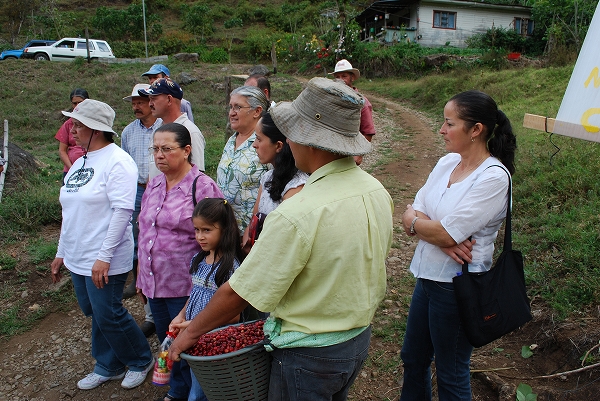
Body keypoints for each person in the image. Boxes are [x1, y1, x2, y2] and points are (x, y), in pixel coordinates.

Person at [168, 77, 394, 401]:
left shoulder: (297, 212)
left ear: (309, 141)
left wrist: (189, 332)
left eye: (291, 134)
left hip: (308, 355)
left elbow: (238, 292)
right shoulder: (375, 190)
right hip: (355, 341)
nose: (287, 141)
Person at [399, 90, 517, 401]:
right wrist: (433, 232)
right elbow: (415, 208)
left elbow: (444, 232)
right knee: (413, 359)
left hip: (458, 286)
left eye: (449, 123)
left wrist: (428, 229)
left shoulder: (493, 178)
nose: (441, 130)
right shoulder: (447, 162)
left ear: (476, 129)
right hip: (428, 276)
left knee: (451, 372)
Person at [50, 99, 154, 391]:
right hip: (78, 253)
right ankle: (108, 363)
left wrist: (104, 256)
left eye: (78, 124)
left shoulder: (118, 162)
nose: (73, 129)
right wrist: (61, 252)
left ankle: (139, 358)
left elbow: (123, 212)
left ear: (96, 129)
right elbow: (69, 211)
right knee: (94, 311)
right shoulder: (81, 161)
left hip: (103, 255)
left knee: (108, 312)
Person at [136, 123, 223, 401]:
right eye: (156, 149)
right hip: (155, 282)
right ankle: (178, 391)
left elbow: (220, 236)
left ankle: (197, 394)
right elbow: (145, 230)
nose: (159, 155)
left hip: (187, 286)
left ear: (186, 151)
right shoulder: (155, 183)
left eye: (167, 149)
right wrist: (141, 275)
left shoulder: (201, 185)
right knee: (167, 341)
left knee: (191, 346)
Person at [168, 198, 245, 401]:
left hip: (215, 339)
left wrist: (190, 325)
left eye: (207, 230)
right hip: (195, 335)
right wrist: (180, 315)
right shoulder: (199, 259)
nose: (199, 237)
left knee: (208, 389)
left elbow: (233, 316)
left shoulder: (231, 268)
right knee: (198, 380)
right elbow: (195, 293)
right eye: (196, 230)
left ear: (225, 229)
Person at [120, 83, 163, 337]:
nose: (136, 106)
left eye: (140, 101)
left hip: (160, 188)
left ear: (151, 102)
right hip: (137, 191)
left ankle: (165, 306)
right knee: (140, 246)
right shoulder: (127, 132)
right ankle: (149, 312)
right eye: (133, 102)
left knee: (161, 243)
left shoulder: (164, 128)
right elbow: (126, 164)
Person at [241, 111, 308, 252]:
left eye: (259, 139)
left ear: (278, 146)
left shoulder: (296, 188)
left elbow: (285, 240)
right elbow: (254, 218)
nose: (254, 145)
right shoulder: (268, 177)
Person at [217, 86, 270, 235]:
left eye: (238, 107)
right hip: (225, 229)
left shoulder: (266, 143)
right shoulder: (231, 140)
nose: (231, 113)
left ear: (257, 111)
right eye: (231, 107)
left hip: (250, 234)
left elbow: (274, 185)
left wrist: (251, 229)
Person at [139, 78, 206, 175]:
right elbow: (153, 170)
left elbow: (197, 177)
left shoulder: (190, 131)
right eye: (149, 99)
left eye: (153, 98)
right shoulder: (157, 130)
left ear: (169, 99)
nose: (150, 104)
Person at [330, 59, 376, 165]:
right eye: (337, 77)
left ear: (352, 77)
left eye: (344, 76)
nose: (340, 80)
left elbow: (368, 131)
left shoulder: (362, 103)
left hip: (349, 154)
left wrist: (358, 155)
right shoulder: (332, 98)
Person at [54, 88, 89, 181]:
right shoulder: (68, 124)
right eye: (74, 103)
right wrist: (72, 168)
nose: (77, 106)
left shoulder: (94, 124)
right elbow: (62, 151)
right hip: (71, 170)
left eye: (80, 103)